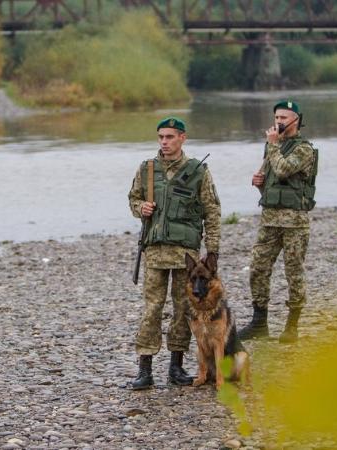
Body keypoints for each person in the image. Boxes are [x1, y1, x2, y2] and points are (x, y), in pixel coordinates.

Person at [127, 117, 222, 390]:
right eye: (161, 137)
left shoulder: (198, 171)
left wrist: (212, 250)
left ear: (182, 138)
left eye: (169, 137)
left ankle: (176, 366)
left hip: (186, 255)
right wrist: (141, 207)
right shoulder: (147, 169)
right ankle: (145, 369)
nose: (164, 142)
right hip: (155, 250)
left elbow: (212, 211)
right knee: (152, 308)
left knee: (183, 308)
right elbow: (133, 198)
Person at [238, 101, 318, 344]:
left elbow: (284, 170)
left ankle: (292, 325)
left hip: (295, 221)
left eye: (284, 117)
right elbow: (272, 183)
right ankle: (259, 322)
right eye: (276, 117)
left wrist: (273, 146)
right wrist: (260, 182)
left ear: (296, 120)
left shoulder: (305, 150)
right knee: (258, 267)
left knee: (293, 271)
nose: (279, 121)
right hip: (270, 219)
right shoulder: (271, 146)